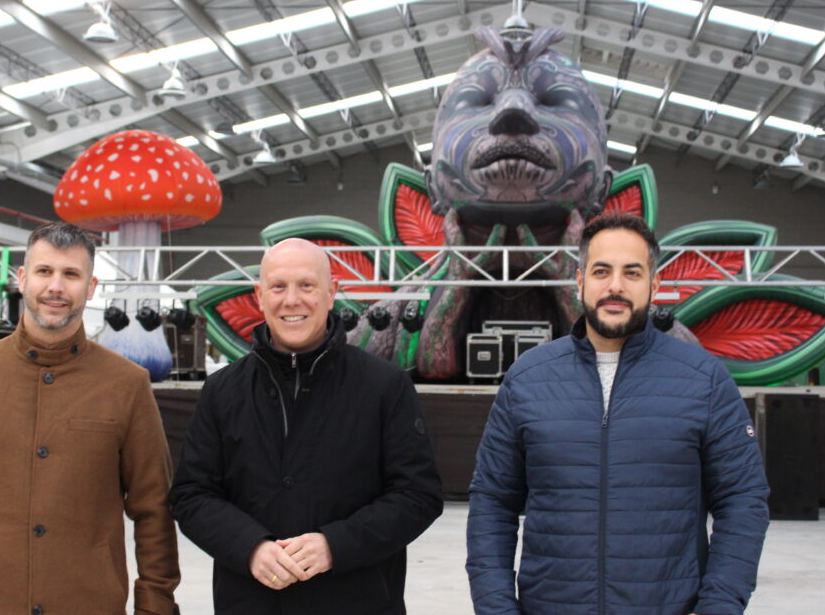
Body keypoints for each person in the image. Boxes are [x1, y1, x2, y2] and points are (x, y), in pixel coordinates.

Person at [466, 214, 769, 615]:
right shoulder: (528, 378)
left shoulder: (704, 379)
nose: (615, 286)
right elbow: (492, 503)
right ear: (580, 281)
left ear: (654, 285)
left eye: (632, 272)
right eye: (602, 271)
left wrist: (719, 605)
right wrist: (496, 609)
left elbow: (742, 500)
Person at [0, 222, 180, 615]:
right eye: (45, 271)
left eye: (71, 274)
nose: (56, 288)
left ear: (92, 287)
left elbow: (154, 507)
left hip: (90, 604)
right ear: (22, 278)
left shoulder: (127, 385)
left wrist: (156, 604)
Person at [170, 238, 443, 614]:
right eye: (278, 287)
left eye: (307, 286)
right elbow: (192, 495)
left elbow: (418, 495)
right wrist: (250, 547)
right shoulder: (222, 390)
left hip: (357, 601)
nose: (292, 300)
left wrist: (336, 545)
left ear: (331, 293)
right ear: (260, 296)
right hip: (250, 602)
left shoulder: (385, 386)